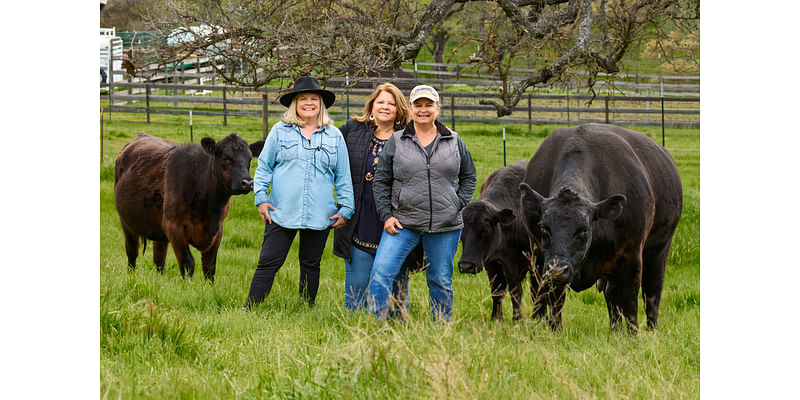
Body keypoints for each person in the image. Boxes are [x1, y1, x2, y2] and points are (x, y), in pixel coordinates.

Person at [368, 84, 477, 321]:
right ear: (411, 108)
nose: (423, 110)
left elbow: (469, 177)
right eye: (418, 105)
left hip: (445, 225)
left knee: (439, 280)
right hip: (403, 222)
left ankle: (440, 327)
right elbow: (381, 181)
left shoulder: (454, 141)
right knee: (381, 273)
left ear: (438, 109)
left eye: (429, 105)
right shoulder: (397, 141)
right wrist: (387, 215)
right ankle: (375, 324)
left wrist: (456, 204)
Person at [246, 76, 354, 308]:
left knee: (310, 263)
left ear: (320, 104)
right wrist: (261, 199)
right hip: (281, 210)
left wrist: (346, 207)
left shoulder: (334, 136)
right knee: (269, 261)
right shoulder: (279, 132)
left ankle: (306, 308)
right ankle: (250, 308)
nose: (308, 103)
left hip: (319, 212)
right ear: (295, 103)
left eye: (313, 99)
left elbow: (343, 175)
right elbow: (264, 167)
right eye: (302, 99)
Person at [332, 83, 425, 312]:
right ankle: (355, 328)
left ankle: (395, 326)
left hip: (396, 219)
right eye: (381, 102)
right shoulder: (352, 131)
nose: (385, 107)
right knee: (356, 293)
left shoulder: (410, 137)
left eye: (391, 104)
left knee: (395, 287)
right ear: (372, 105)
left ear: (399, 109)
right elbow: (328, 159)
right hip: (359, 218)